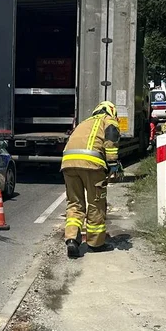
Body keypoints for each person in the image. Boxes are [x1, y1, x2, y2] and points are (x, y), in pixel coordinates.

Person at [60, 101, 120, 259]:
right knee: (96, 203)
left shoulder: (84, 122)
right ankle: (96, 243)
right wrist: (113, 162)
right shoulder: (108, 120)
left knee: (75, 203)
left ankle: (72, 239)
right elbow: (112, 135)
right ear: (111, 111)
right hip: (92, 165)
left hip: (68, 163)